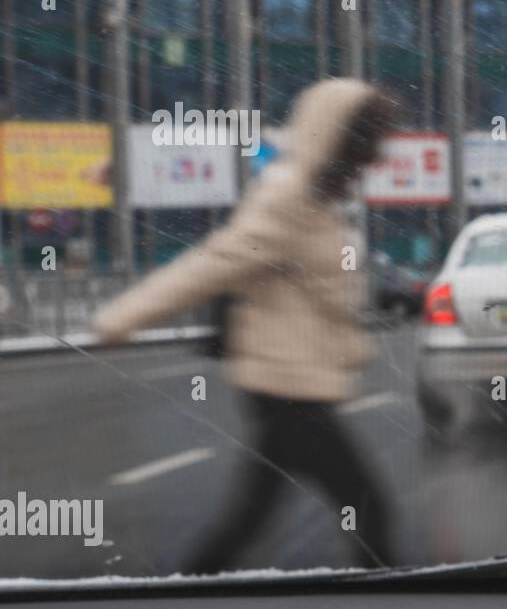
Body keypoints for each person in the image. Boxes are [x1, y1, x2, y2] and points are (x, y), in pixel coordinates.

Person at [94, 79, 400, 573]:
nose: (375, 156)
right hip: (285, 388)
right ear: (338, 138)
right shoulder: (288, 198)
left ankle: (188, 592)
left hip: (296, 386)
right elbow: (215, 263)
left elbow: (324, 294)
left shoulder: (320, 200)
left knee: (251, 517)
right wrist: (123, 316)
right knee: (367, 507)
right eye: (367, 142)